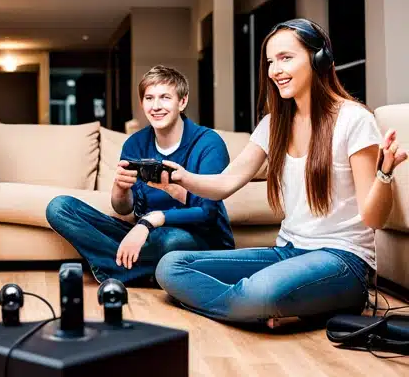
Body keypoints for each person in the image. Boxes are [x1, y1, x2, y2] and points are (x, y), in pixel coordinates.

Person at [154, 18, 408, 326]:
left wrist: (384, 173)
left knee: (261, 292)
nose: (275, 70)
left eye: (286, 58)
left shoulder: (353, 119)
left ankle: (260, 304)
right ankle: (265, 308)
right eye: (271, 61)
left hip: (343, 260)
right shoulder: (273, 124)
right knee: (171, 266)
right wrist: (180, 177)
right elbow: (225, 183)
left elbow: (374, 219)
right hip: (287, 252)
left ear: (319, 59)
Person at [46, 65, 234, 285]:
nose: (156, 106)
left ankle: (114, 268)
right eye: (149, 98)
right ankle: (134, 270)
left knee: (172, 242)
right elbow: (124, 208)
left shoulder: (208, 143)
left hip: (195, 238)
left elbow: (208, 213)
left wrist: (151, 221)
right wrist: (120, 189)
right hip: (146, 236)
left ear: (182, 102)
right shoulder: (135, 144)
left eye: (165, 97)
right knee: (59, 208)